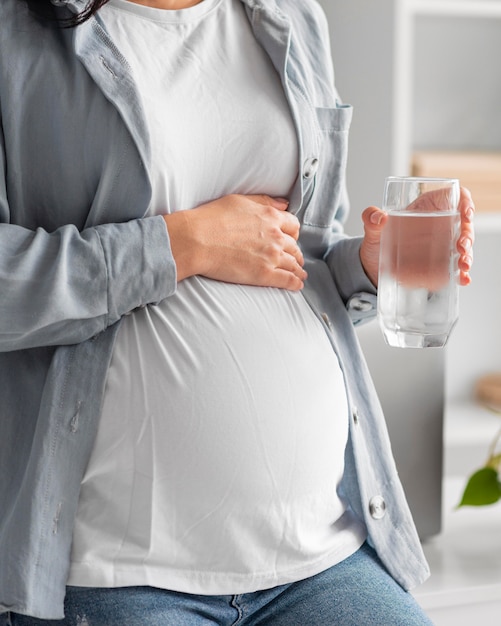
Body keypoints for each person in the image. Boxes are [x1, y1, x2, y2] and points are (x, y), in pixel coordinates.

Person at [0, 0, 474, 624]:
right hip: (121, 571)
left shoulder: (292, 17)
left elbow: (299, 254)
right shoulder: (16, 33)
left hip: (322, 551)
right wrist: (184, 243)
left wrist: (369, 265)